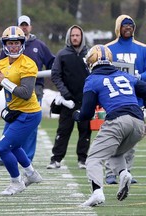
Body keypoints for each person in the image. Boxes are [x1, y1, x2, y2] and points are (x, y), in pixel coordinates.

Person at [73, 44, 146, 207]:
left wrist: (76, 114)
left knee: (93, 158)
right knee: (114, 152)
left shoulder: (92, 80)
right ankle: (123, 173)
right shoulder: (125, 75)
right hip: (139, 122)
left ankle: (97, 192)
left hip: (118, 121)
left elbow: (86, 113)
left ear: (91, 62)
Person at [0, 15, 55, 167]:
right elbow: (1, 74)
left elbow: (26, 92)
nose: (24, 27)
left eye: (26, 25)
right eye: (22, 25)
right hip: (12, 100)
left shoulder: (37, 47)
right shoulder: (4, 59)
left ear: (30, 27)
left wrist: (5, 81)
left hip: (32, 92)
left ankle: (27, 159)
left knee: (27, 131)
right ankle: (23, 165)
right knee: (11, 133)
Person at [0, 26, 42, 195]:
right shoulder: (2, 63)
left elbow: (26, 93)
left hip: (29, 113)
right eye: (10, 43)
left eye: (16, 43)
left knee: (3, 147)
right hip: (16, 112)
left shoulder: (28, 64)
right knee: (15, 146)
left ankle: (17, 182)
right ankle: (31, 174)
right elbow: (0, 86)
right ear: (5, 45)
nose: (13, 46)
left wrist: (4, 81)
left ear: (22, 44)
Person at [104, 14, 146, 185]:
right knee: (113, 136)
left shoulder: (142, 48)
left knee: (132, 138)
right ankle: (110, 172)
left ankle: (126, 170)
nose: (128, 28)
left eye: (131, 25)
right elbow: (101, 69)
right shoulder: (108, 48)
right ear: (118, 27)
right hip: (115, 99)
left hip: (136, 100)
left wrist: (138, 76)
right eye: (124, 25)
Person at [47, 25, 91, 169]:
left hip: (86, 100)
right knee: (63, 130)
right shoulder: (62, 54)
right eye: (72, 35)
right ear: (68, 37)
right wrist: (65, 92)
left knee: (85, 131)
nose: (75, 38)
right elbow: (55, 75)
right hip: (68, 102)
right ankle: (56, 159)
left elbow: (96, 74)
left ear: (82, 37)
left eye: (77, 35)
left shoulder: (90, 54)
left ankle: (82, 159)